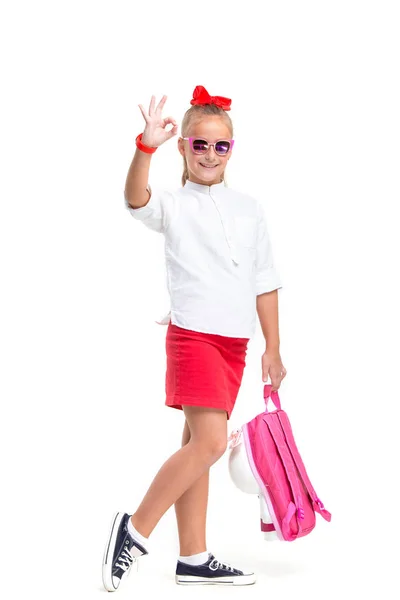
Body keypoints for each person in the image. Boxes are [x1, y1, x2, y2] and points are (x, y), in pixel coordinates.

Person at [102, 85, 287, 591]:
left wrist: (273, 346)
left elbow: (264, 280)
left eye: (220, 146)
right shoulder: (172, 204)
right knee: (208, 443)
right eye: (199, 144)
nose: (209, 154)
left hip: (235, 344)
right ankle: (134, 530)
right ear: (183, 146)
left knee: (195, 446)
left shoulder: (250, 209)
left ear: (232, 150)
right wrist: (145, 148)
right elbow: (134, 199)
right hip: (194, 337)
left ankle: (194, 557)